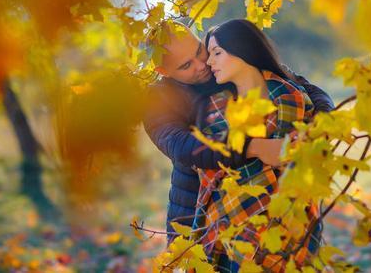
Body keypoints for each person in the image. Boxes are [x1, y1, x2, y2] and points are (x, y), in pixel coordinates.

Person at [142, 21, 334, 240]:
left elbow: (307, 88)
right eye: (186, 66)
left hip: (267, 198)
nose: (202, 64)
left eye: (199, 50)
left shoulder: (223, 58)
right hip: (195, 207)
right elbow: (183, 147)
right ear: (163, 71)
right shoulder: (159, 99)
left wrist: (320, 124)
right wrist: (253, 147)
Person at [191, 19, 324, 271]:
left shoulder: (291, 97)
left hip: (291, 224)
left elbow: (306, 160)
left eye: (216, 53)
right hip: (227, 228)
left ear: (244, 49)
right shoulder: (214, 108)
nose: (209, 62)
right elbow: (207, 163)